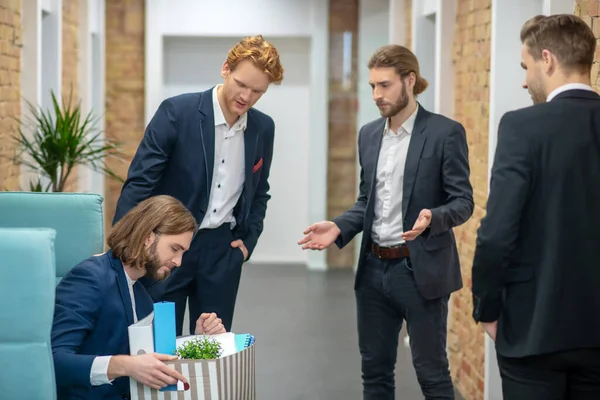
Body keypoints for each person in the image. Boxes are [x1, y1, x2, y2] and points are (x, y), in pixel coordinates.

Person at [299, 45, 473, 399]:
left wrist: (433, 217)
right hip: (374, 272)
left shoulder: (444, 133)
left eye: (385, 85)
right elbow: (367, 201)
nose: (377, 95)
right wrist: (340, 227)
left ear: (410, 80)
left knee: (432, 372)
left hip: (420, 271)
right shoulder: (368, 135)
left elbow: (463, 202)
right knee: (375, 373)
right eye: (373, 86)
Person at [112, 35, 284, 335]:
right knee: (160, 344)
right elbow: (140, 183)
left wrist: (247, 244)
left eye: (258, 91)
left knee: (213, 350)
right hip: (167, 248)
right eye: (241, 84)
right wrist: (123, 248)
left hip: (222, 252)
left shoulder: (263, 128)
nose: (246, 96)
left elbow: (260, 191)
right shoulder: (178, 113)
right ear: (225, 68)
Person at [471, 14, 600, 400]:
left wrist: (487, 308)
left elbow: (497, 235)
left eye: (526, 67)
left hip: (533, 327)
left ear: (547, 59)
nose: (525, 80)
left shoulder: (522, 127)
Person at [52, 195, 226, 400]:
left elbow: (151, 362)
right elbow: (54, 361)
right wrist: (125, 365)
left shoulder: (142, 291)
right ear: (147, 237)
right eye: (174, 249)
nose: (178, 262)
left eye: (183, 253)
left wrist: (199, 339)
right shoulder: (90, 277)